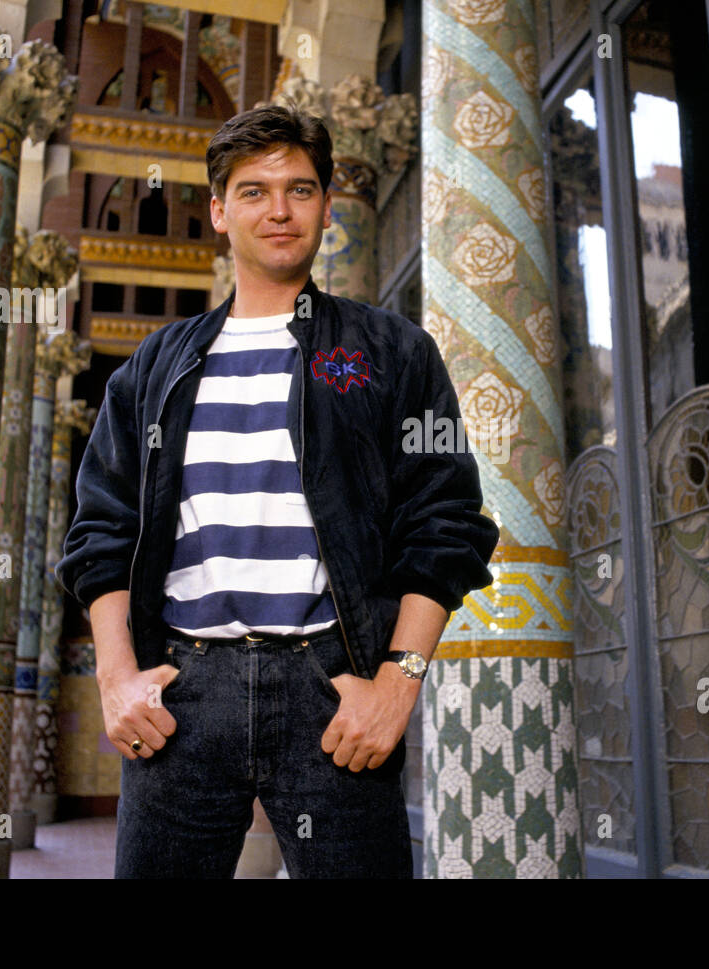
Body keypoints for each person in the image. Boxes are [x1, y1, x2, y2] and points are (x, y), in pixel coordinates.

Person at [55, 104, 499, 878]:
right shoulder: (156, 368)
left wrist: (399, 685)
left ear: (328, 206)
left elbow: (447, 524)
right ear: (220, 212)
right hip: (180, 695)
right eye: (254, 191)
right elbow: (102, 533)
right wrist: (116, 677)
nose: (280, 209)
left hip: (333, 688)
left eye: (300, 189)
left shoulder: (390, 351)